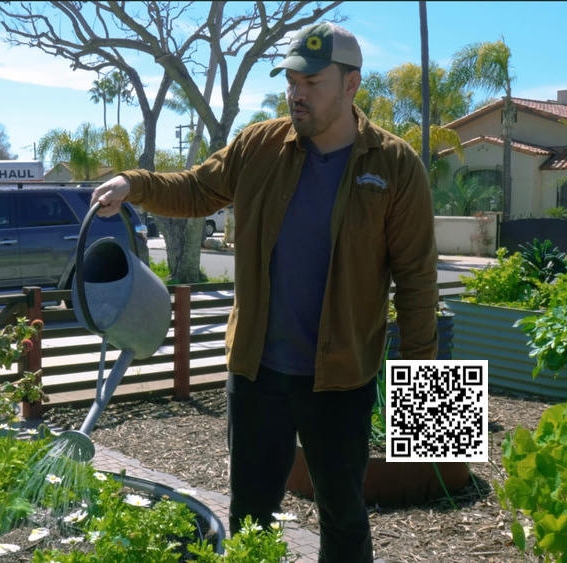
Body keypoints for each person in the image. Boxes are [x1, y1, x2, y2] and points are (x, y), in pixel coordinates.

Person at [91, 22, 438, 563]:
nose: (298, 92)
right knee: (252, 514)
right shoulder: (261, 145)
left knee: (343, 517)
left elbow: (418, 280)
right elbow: (199, 188)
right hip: (256, 373)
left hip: (341, 378)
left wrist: (426, 406)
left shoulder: (394, 166)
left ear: (351, 86)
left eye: (313, 82)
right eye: (292, 80)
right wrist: (134, 184)